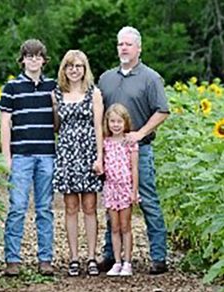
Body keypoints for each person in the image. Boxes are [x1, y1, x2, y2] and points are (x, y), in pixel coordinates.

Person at [98, 26, 170, 275]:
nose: (124, 48)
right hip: (111, 152)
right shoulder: (106, 78)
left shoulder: (150, 78)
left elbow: (162, 110)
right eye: (120, 44)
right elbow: (100, 115)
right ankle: (112, 256)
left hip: (140, 151)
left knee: (147, 200)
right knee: (113, 204)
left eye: (128, 44)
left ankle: (159, 257)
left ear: (139, 48)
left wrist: (139, 134)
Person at [0, 39, 56, 277]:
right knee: (18, 208)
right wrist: (6, 157)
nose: (34, 60)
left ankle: (45, 259)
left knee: (45, 209)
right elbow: (4, 124)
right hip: (21, 155)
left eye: (38, 56)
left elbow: (57, 122)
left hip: (47, 155)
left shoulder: (53, 87)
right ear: (22, 60)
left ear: (44, 60)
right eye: (29, 56)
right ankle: (12, 259)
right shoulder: (11, 88)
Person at [52, 50, 104, 276]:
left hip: (88, 153)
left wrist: (100, 157)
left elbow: (99, 127)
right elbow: (55, 126)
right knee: (71, 207)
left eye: (79, 66)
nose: (74, 70)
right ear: (64, 69)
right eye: (70, 66)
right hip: (66, 153)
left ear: (85, 69)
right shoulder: (56, 94)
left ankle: (92, 256)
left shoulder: (94, 93)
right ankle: (74, 257)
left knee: (90, 207)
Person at [102, 103, 140, 276]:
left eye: (119, 121)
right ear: (107, 123)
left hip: (125, 188)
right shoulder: (105, 142)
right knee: (114, 227)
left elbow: (134, 168)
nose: (116, 125)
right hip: (111, 188)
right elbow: (102, 164)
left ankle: (127, 262)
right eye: (112, 121)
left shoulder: (129, 143)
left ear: (125, 123)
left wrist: (134, 191)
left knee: (126, 226)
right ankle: (117, 261)